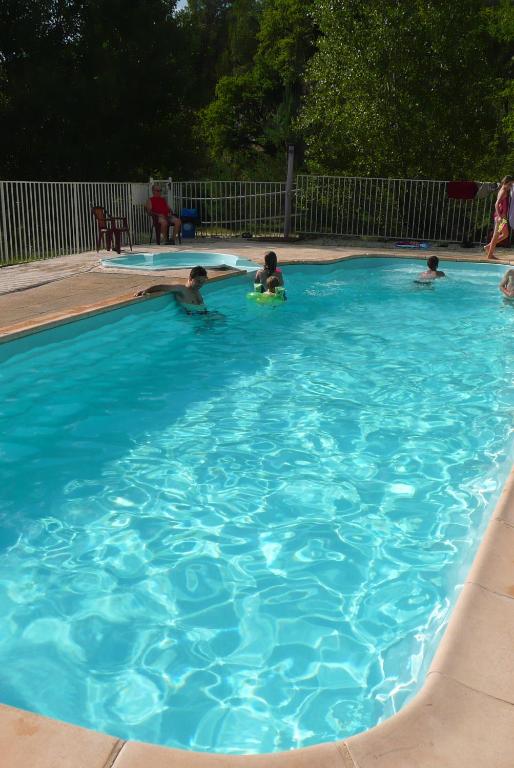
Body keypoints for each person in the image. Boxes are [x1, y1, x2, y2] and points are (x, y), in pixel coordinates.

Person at [135, 266, 208, 314]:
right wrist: (146, 290)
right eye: (198, 281)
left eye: (202, 282)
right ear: (190, 278)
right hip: (194, 320)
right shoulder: (181, 289)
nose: (200, 284)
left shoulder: (196, 290)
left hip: (203, 316)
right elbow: (162, 287)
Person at [484, 176, 514, 260]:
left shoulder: (505, 190)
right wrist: (499, 216)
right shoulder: (503, 191)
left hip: (503, 218)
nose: (511, 186)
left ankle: (488, 246)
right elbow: (496, 204)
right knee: (496, 236)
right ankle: (490, 255)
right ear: (506, 183)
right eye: (510, 184)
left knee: (505, 234)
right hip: (499, 218)